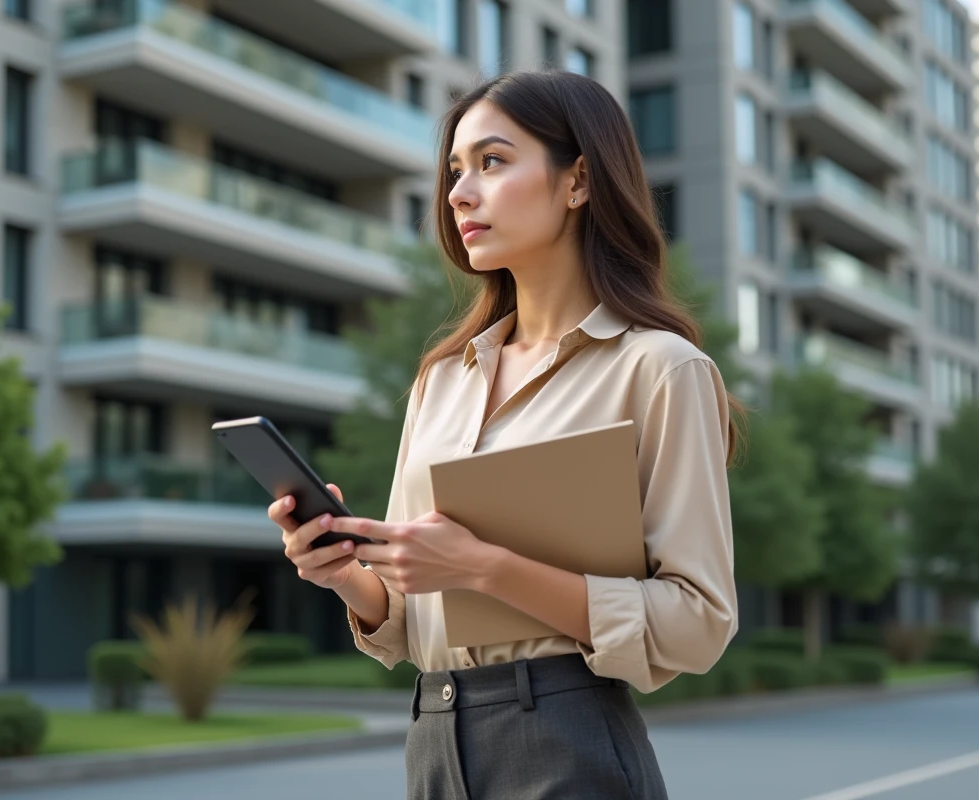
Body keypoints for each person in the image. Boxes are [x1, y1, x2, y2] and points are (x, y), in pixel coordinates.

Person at [269, 69, 741, 799]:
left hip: (566, 739)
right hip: (433, 737)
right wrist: (346, 574)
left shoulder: (660, 369)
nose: (459, 193)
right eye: (456, 171)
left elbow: (698, 623)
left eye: (492, 162)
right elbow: (406, 614)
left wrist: (485, 568)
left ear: (578, 180)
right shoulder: (441, 379)